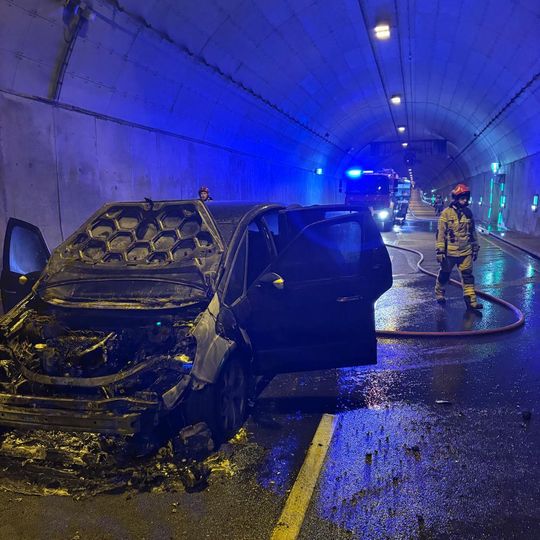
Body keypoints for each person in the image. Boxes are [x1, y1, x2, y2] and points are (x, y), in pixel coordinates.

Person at [435, 183, 482, 310]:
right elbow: (441, 233)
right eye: (462, 198)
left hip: (465, 252)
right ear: (456, 198)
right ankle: (439, 293)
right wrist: (440, 251)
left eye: (466, 198)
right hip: (449, 253)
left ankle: (471, 301)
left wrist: (475, 248)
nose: (465, 200)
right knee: (444, 274)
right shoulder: (446, 213)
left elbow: (472, 232)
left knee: (468, 276)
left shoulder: (468, 213)